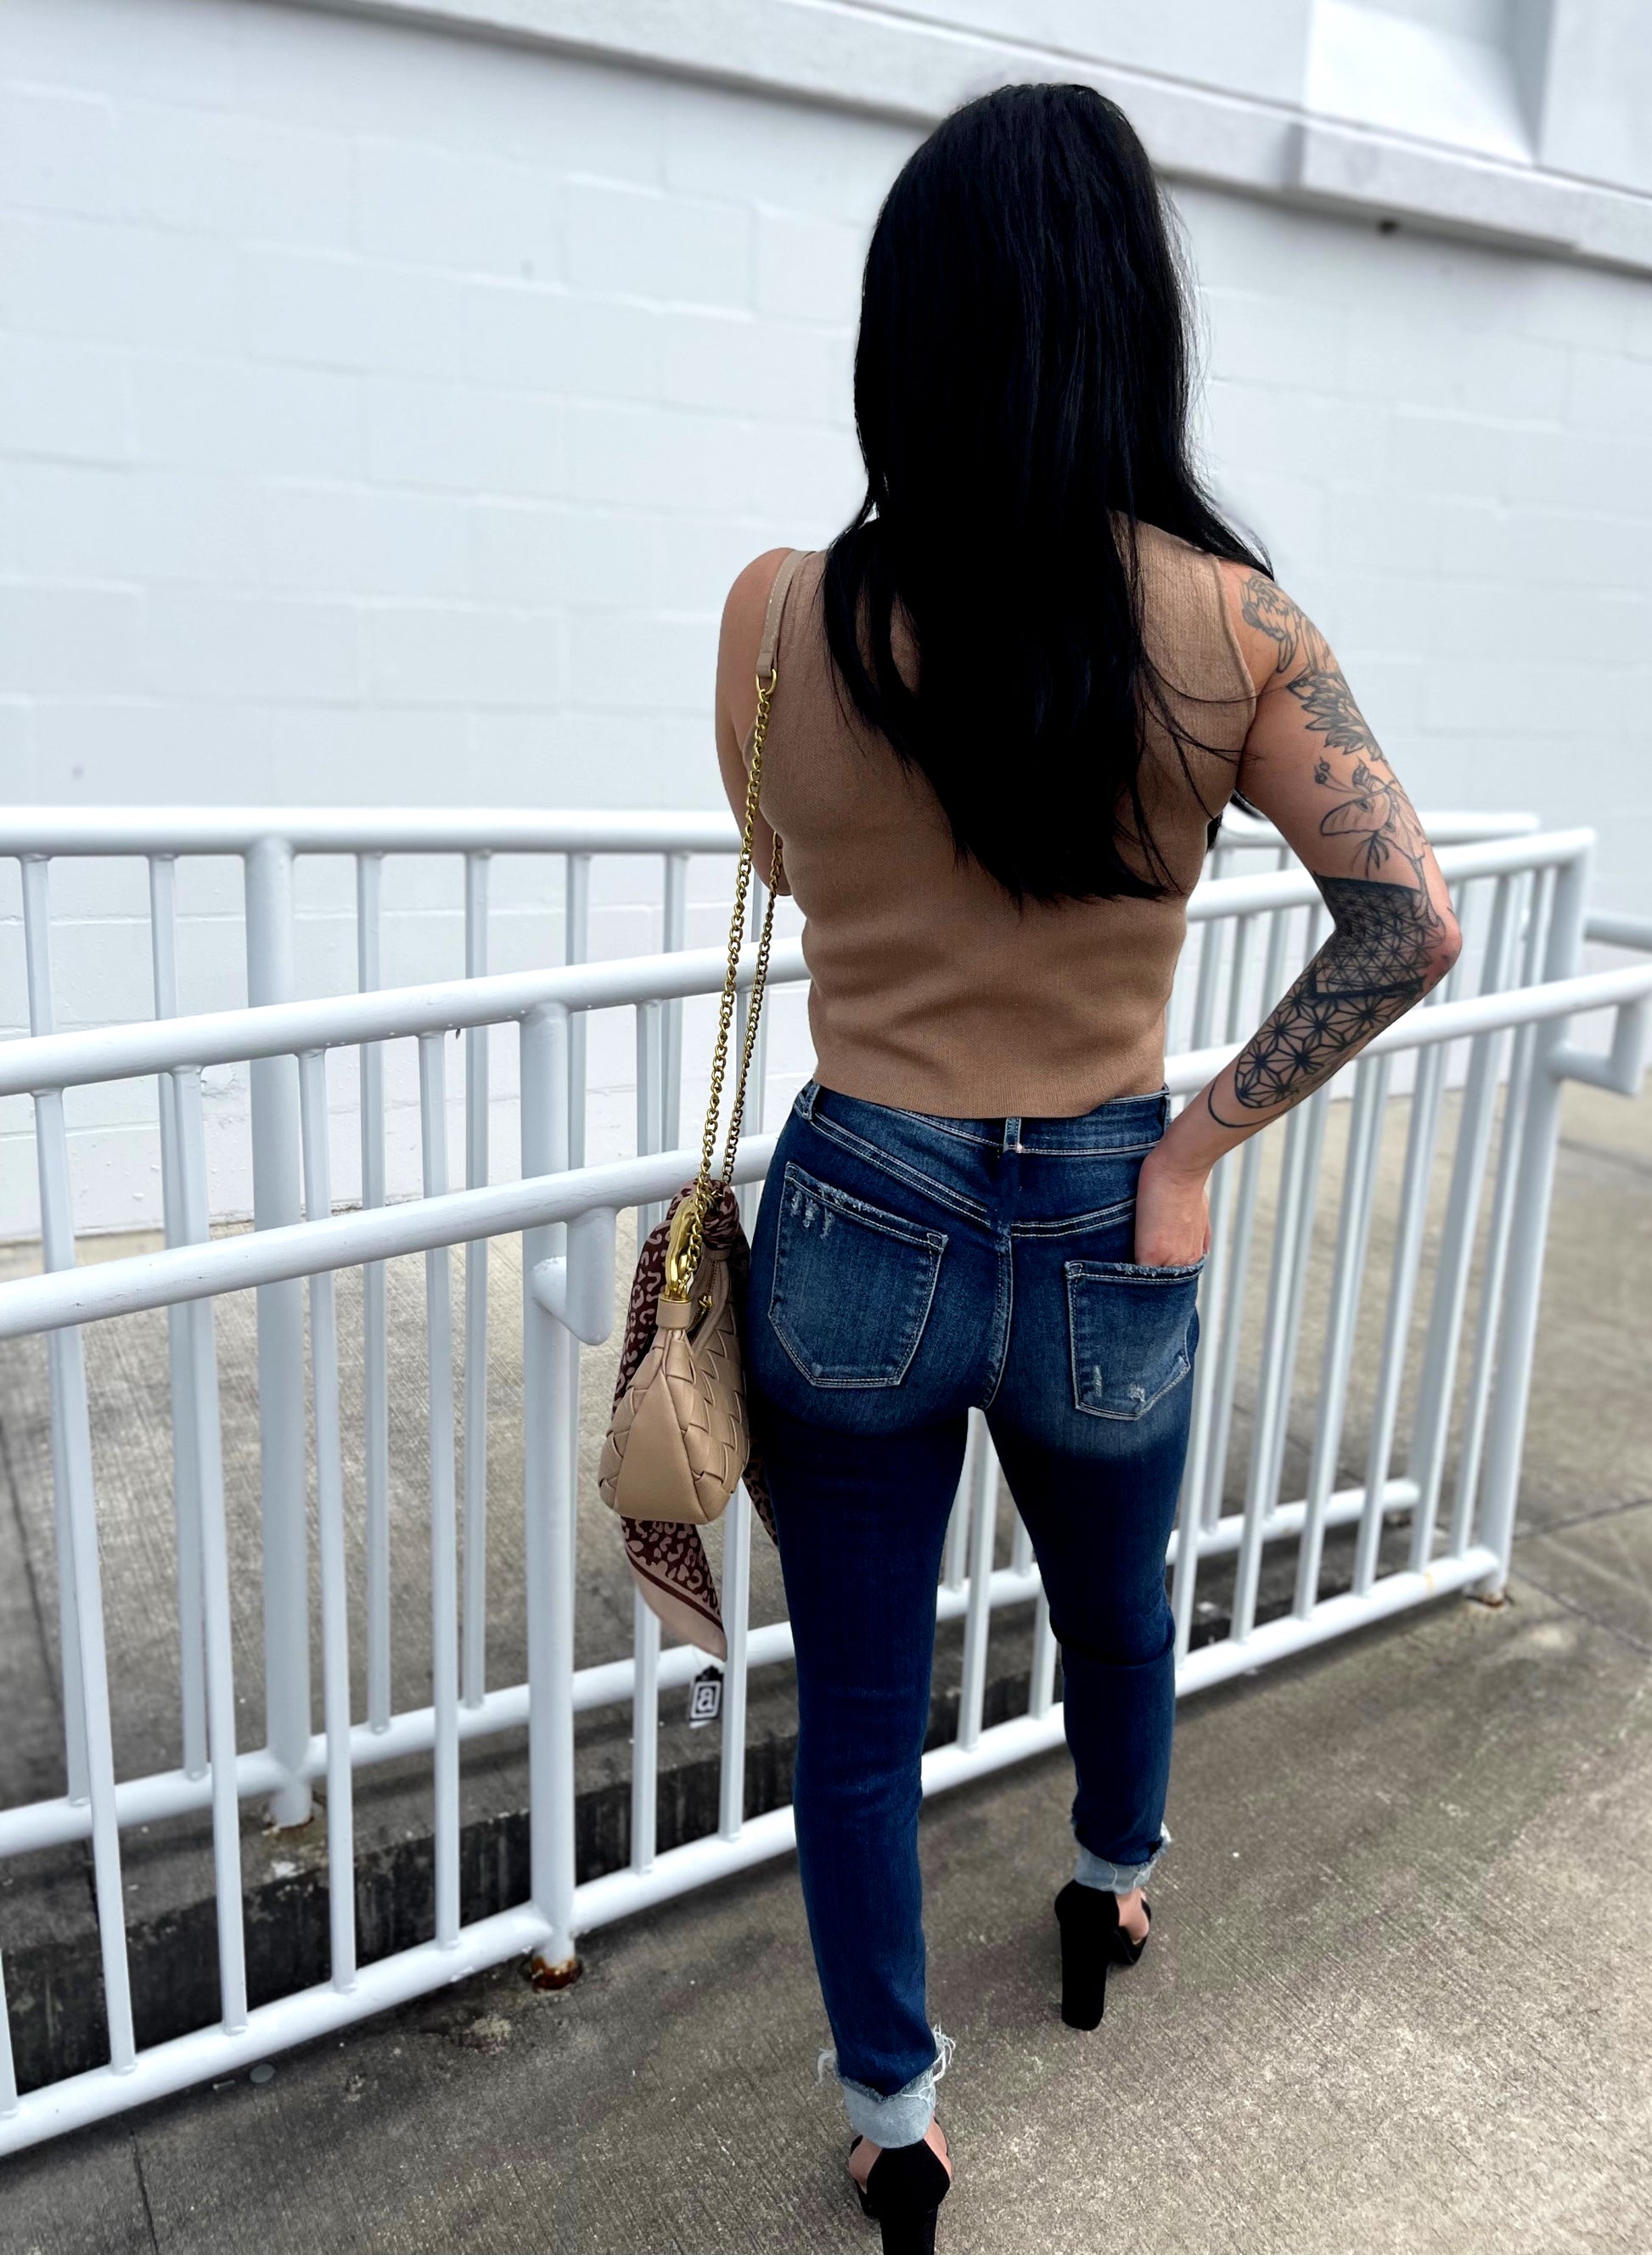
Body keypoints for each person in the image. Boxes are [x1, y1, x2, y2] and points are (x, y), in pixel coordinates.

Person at [713, 82, 1459, 2255]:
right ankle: (1111, 1882)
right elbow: (1408, 919)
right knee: (1118, 1608)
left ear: (906, 326)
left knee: (858, 1711)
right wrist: (1201, 1136)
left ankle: (895, 2120)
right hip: (1111, 1213)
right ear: (1129, 318)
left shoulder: (780, 610)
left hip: (857, 1203)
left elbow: (788, 860)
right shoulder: (1236, 628)